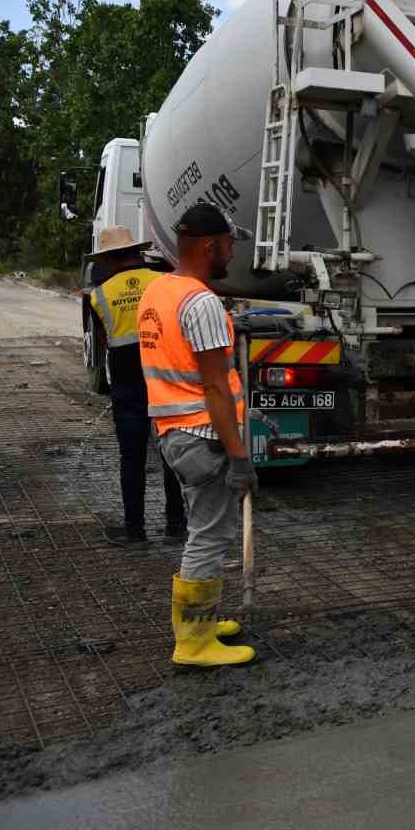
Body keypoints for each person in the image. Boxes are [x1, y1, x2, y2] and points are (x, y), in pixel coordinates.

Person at [138, 203, 257, 668]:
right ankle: (193, 642)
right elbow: (214, 388)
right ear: (210, 246)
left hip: (173, 433)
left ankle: (200, 623)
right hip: (204, 436)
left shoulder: (159, 291)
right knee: (208, 536)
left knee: (200, 531)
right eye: (229, 243)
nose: (232, 251)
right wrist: (240, 456)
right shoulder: (201, 303)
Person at [86, 227, 187, 547]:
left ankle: (135, 532)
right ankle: (176, 526)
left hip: (127, 382)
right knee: (170, 453)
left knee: (132, 458)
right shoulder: (163, 283)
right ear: (136, 252)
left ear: (106, 259)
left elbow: (103, 342)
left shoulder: (98, 295)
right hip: (164, 378)